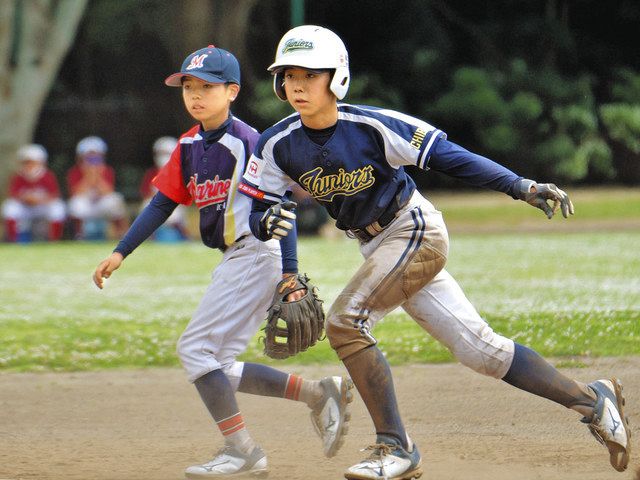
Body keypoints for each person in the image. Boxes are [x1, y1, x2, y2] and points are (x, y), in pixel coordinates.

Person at [239, 25, 631, 480]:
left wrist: (519, 185)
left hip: (414, 229)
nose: (297, 85)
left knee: (347, 321)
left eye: (310, 74)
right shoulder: (277, 144)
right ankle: (592, 400)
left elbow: (450, 156)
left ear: (337, 78)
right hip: (376, 247)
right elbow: (268, 210)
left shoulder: (372, 126)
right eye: (288, 75)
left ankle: (395, 447)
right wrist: (282, 260)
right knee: (482, 352)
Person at [92, 45, 353, 478]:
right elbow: (162, 203)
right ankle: (316, 393)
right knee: (219, 363)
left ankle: (241, 449)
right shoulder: (190, 144)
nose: (195, 95)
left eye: (207, 87)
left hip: (255, 252)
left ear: (232, 91)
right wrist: (120, 252)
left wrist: (290, 272)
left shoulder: (248, 142)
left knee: (194, 350)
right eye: (189, 86)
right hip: (237, 257)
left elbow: (281, 204)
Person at [67, 136, 129, 240]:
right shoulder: (74, 171)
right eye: (89, 156)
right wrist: (88, 176)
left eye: (96, 156)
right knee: (75, 204)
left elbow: (108, 192)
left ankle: (123, 234)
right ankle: (79, 235)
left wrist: (98, 176)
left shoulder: (107, 170)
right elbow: (76, 194)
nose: (92, 159)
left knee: (116, 200)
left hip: (101, 204)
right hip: (86, 205)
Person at [2, 144, 66, 242]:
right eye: (27, 162)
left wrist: (40, 200)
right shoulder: (18, 176)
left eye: (33, 162)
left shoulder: (47, 175)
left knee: (58, 207)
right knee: (9, 207)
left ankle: (54, 240)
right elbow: (13, 194)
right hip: (25, 207)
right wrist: (27, 198)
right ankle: (13, 240)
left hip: (42, 206)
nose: (30, 165)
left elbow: (54, 195)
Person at [139, 136, 189, 241]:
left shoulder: (182, 172)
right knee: (145, 207)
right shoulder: (152, 172)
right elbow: (145, 195)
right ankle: (148, 238)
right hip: (157, 205)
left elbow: (184, 196)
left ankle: (184, 237)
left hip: (175, 207)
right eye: (160, 154)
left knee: (175, 214)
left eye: (166, 153)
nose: (162, 157)